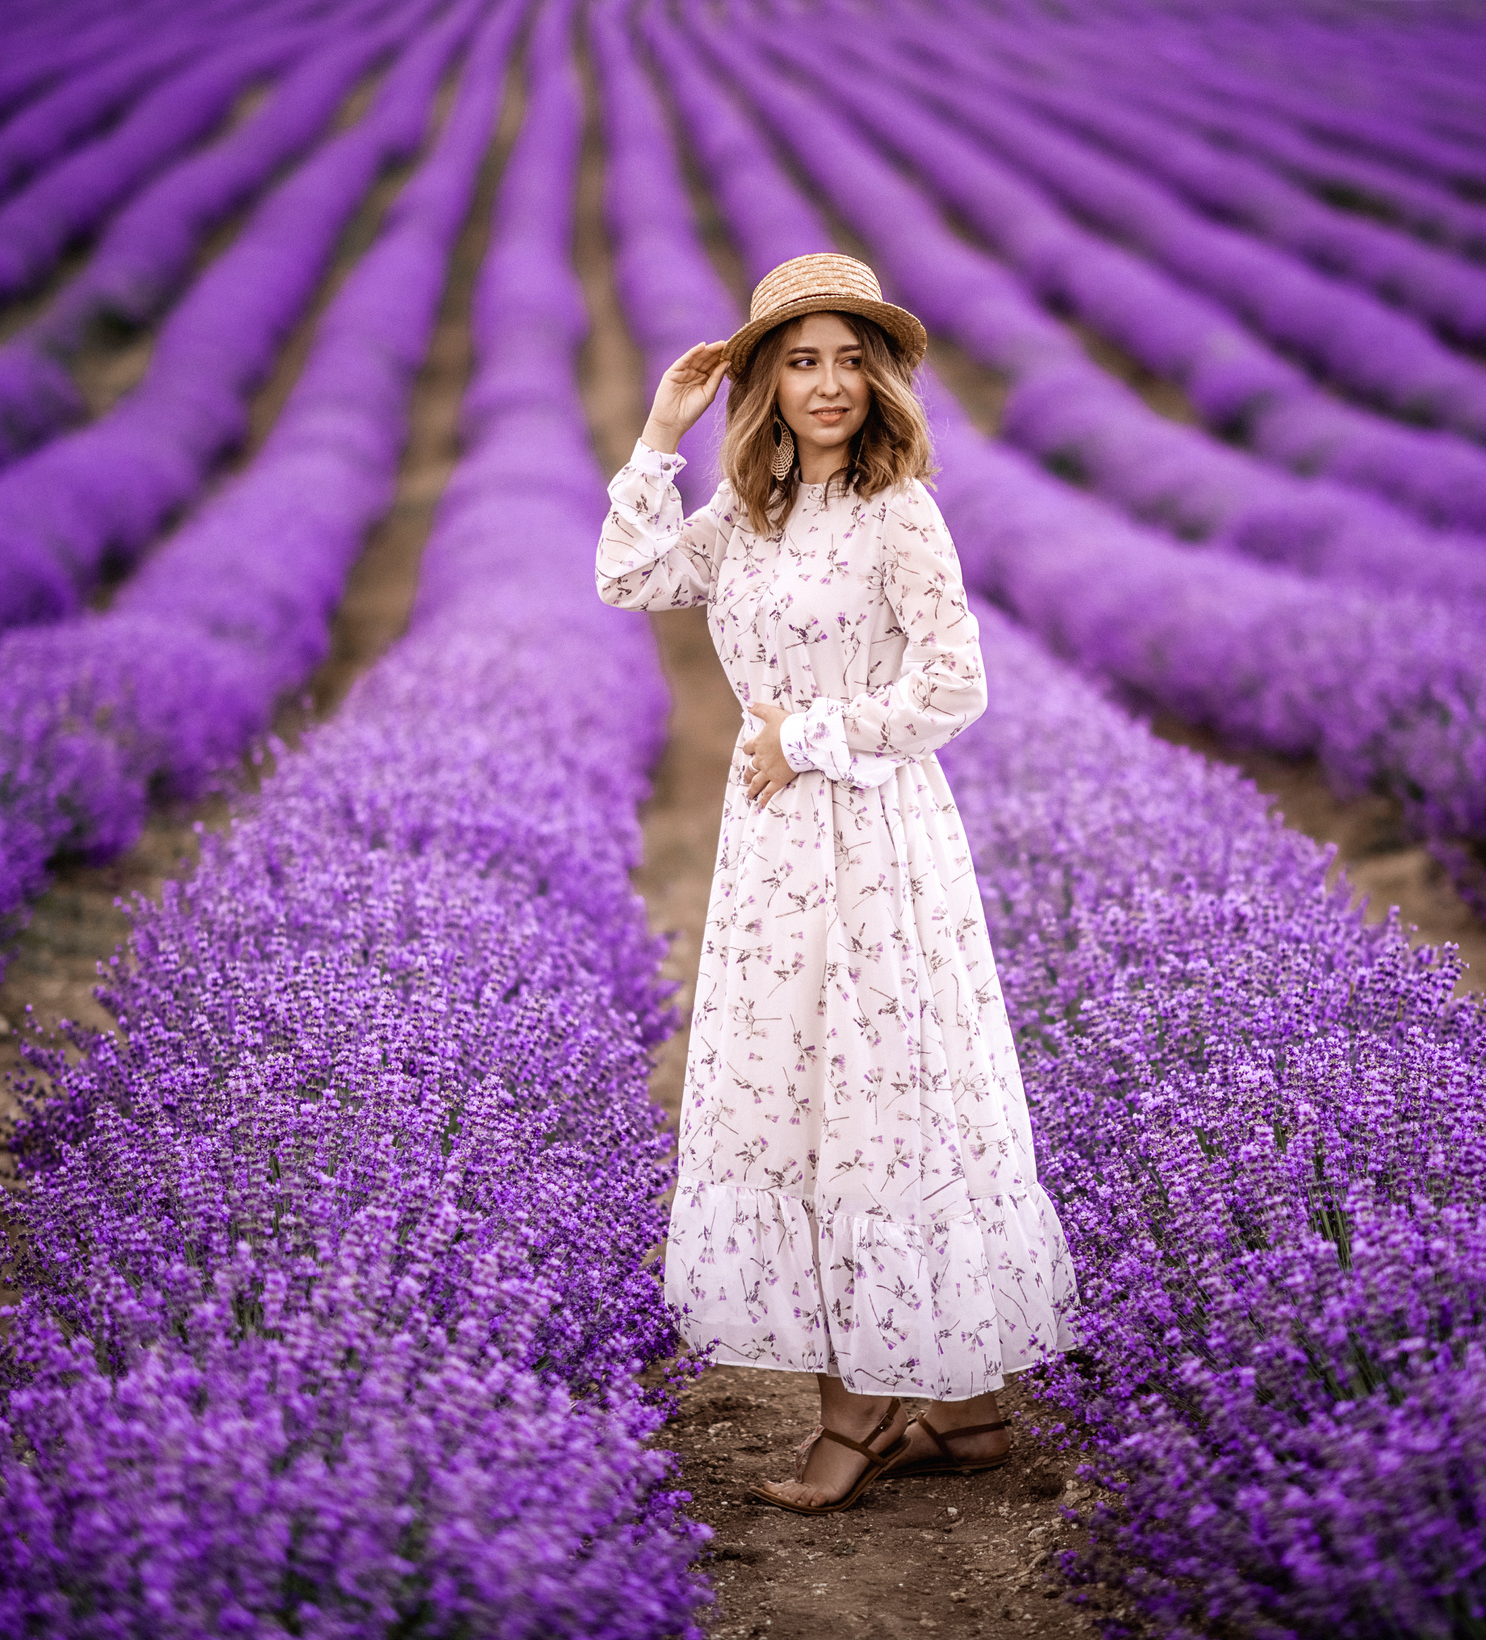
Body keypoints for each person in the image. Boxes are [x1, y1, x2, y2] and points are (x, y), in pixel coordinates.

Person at [597, 253, 1076, 1514]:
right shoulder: (748, 513)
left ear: (880, 380)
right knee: (802, 1090)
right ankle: (961, 1411)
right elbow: (631, 578)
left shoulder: (897, 510)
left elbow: (954, 686)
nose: (828, 384)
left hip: (872, 837)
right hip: (773, 847)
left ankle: (858, 1414)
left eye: (850, 360)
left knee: (871, 1093)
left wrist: (805, 734)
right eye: (801, 360)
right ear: (764, 378)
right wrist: (661, 432)